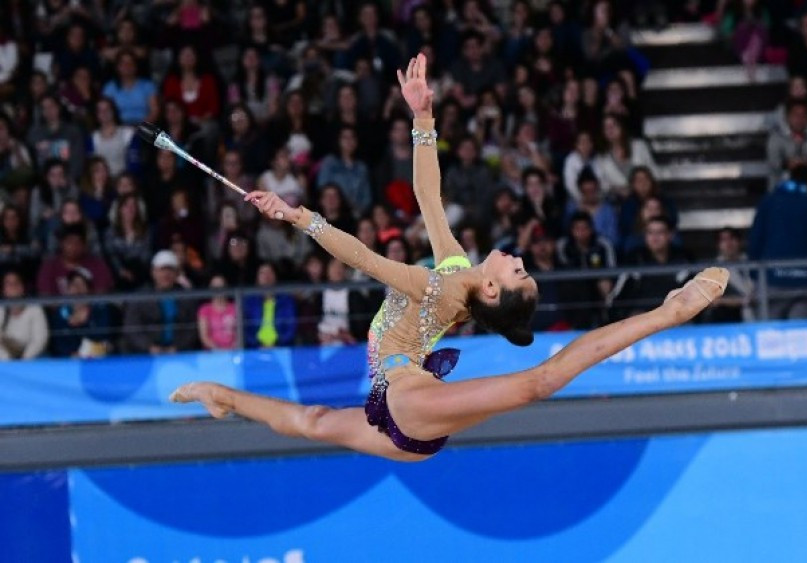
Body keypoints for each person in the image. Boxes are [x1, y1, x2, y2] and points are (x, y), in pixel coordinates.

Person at [173, 54, 729, 462]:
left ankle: (668, 314)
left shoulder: (435, 287)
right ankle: (222, 396)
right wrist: (422, 119)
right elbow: (428, 199)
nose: (516, 257)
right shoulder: (457, 271)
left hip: (410, 402)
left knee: (539, 382)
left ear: (492, 292)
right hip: (403, 408)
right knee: (313, 421)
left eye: (518, 271)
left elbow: (365, 258)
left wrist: (298, 217)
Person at [748, 165, 807, 320]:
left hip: (770, 278)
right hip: (805, 280)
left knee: (770, 336)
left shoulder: (769, 202)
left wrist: (754, 275)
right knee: (800, 336)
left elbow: (755, 240)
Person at [120, 250, 198, 355]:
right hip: (146, 354)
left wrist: (178, 347)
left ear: (176, 273)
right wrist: (149, 347)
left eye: (170, 270)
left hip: (179, 353)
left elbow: (192, 328)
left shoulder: (186, 297)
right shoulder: (140, 297)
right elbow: (131, 328)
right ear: (153, 272)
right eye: (162, 270)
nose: (166, 274)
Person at [48, 268, 111, 358]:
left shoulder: (100, 309)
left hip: (96, 359)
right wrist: (70, 354)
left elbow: (103, 337)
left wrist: (86, 320)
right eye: (74, 284)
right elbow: (58, 344)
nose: (78, 289)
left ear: (89, 290)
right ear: (68, 289)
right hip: (69, 363)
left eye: (82, 284)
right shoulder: (61, 312)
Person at [0, 270, 48, 360]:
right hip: (5, 359)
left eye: (16, 282)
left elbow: (40, 340)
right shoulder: (1, 309)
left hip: (32, 357)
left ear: (22, 287)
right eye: (8, 283)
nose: (13, 286)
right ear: (3, 289)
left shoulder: (34, 308)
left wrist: (24, 360)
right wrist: (8, 361)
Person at [197, 274, 237, 351]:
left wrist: (232, 349)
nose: (218, 289)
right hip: (212, 353)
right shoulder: (204, 309)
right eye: (215, 287)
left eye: (221, 286)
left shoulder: (235, 308)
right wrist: (218, 350)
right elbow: (204, 337)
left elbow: (239, 333)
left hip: (233, 352)